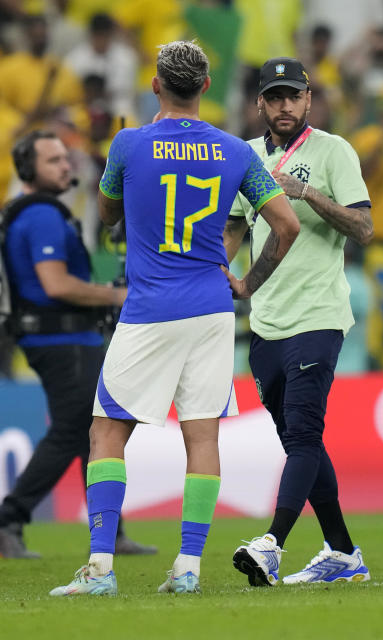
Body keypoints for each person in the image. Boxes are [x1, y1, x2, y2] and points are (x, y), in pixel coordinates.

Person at [49, 40, 300, 596]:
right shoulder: (237, 152)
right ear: (206, 88)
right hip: (211, 308)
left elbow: (109, 214)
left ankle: (99, 569)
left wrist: (121, 195)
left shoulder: (129, 144)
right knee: (202, 436)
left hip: (149, 308)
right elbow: (287, 226)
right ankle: (187, 569)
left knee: (107, 431)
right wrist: (245, 285)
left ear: (156, 85)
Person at [227, 57, 374, 586]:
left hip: (318, 315)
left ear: (309, 100)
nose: (284, 105)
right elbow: (234, 227)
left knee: (306, 432)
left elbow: (363, 227)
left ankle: (273, 543)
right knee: (299, 444)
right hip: (264, 322)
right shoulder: (244, 156)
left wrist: (306, 191)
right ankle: (342, 552)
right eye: (274, 97)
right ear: (260, 104)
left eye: (293, 96)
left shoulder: (334, 151)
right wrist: (222, 274)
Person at [0, 131, 154, 560]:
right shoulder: (43, 217)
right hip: (61, 338)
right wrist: (112, 294)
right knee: (75, 430)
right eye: (53, 161)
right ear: (29, 170)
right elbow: (55, 283)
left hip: (62, 337)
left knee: (91, 434)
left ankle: (112, 530)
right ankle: (9, 518)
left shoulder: (38, 213)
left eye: (66, 159)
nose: (65, 166)